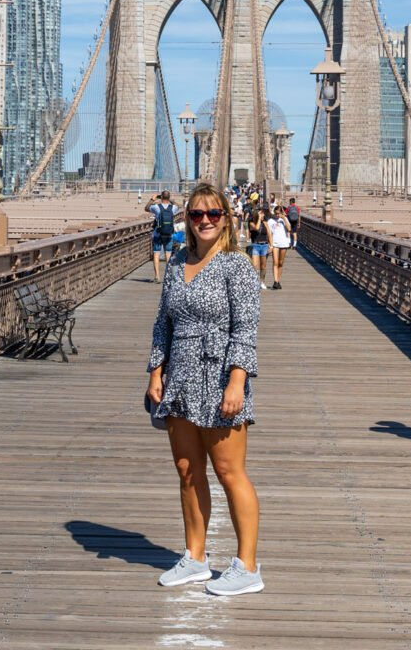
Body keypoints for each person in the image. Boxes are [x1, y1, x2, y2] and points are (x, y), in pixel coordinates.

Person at [147, 182, 263, 595]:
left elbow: (245, 330)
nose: (205, 221)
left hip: (218, 378)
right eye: (197, 215)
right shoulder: (177, 262)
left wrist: (237, 381)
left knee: (230, 472)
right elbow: (163, 322)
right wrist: (155, 373)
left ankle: (247, 566)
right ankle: (195, 558)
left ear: (226, 219)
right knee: (187, 470)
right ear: (187, 220)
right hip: (179, 375)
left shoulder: (238, 267)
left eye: (214, 214)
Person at [148, 191, 179, 283]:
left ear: (161, 197)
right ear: (168, 197)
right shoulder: (173, 208)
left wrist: (152, 199)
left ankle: (157, 276)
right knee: (168, 254)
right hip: (169, 234)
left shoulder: (156, 207)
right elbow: (179, 206)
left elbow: (146, 208)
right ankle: (169, 276)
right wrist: (170, 200)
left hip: (158, 233)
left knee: (156, 254)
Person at [245, 201, 270, 290]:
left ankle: (262, 281)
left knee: (263, 266)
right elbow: (257, 228)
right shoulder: (251, 223)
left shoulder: (265, 223)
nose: (262, 215)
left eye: (262, 214)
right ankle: (255, 281)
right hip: (255, 245)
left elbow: (269, 233)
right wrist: (259, 219)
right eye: (260, 213)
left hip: (264, 245)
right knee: (255, 265)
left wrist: (271, 245)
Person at [265, 207, 291, 290]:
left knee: (280, 263)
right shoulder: (270, 221)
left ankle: (278, 280)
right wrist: (270, 245)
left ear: (281, 213)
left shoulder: (284, 219)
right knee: (275, 262)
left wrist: (283, 218)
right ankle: (275, 281)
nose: (277, 215)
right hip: (275, 243)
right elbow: (269, 234)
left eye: (278, 213)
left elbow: (289, 229)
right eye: (275, 213)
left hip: (283, 243)